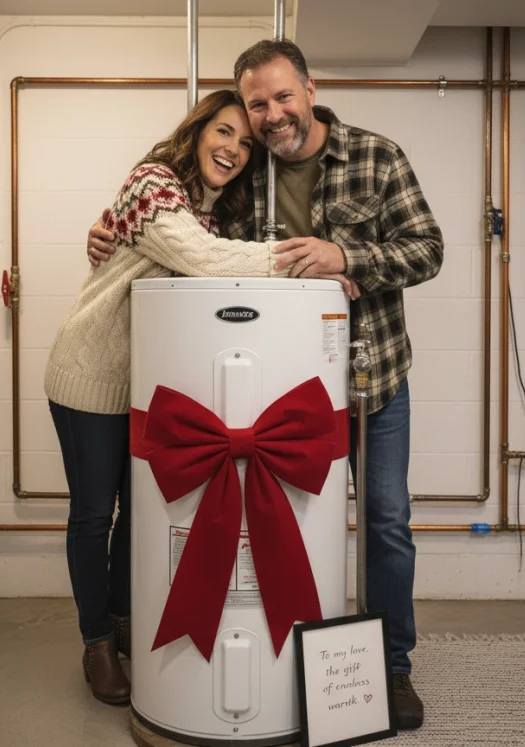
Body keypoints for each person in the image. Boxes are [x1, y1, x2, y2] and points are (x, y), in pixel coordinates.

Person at [88, 40, 444, 730]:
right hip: (274, 395)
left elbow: (427, 249)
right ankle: (271, 675)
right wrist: (111, 229)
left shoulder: (377, 155)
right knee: (276, 532)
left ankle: (391, 670)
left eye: (282, 97)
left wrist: (348, 255)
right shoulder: (248, 173)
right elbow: (184, 229)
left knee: (385, 524)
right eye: (257, 105)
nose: (272, 115)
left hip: (370, 382)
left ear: (309, 89)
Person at [45, 88, 359, 708]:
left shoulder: (213, 205)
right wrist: (307, 262)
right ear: (196, 132)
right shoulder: (154, 184)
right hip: (88, 373)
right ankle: (96, 642)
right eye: (223, 133)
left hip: (145, 388)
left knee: (138, 511)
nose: (233, 150)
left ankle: (127, 619)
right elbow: (203, 258)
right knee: (91, 515)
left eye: (245, 144)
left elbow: (210, 252)